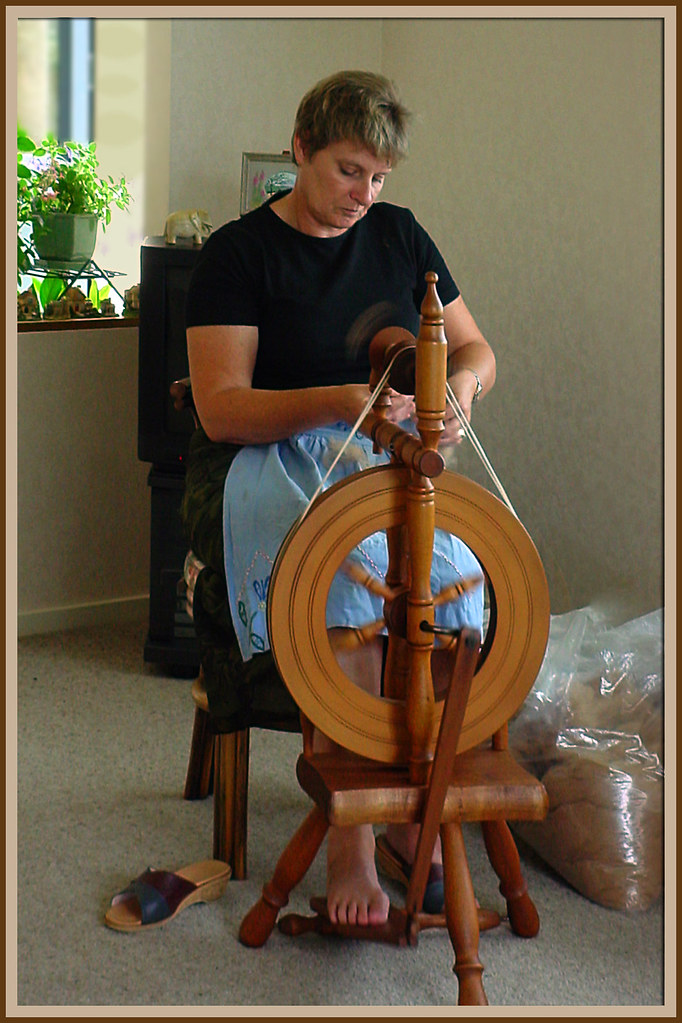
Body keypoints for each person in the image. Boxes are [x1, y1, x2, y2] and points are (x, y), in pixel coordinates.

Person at [183, 70, 496, 928]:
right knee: (348, 571)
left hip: (379, 453)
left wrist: (456, 396)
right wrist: (339, 402)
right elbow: (221, 407)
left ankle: (412, 810)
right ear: (301, 150)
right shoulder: (239, 254)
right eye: (348, 170)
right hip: (262, 456)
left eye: (379, 177)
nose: (365, 194)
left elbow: (475, 351)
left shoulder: (400, 236)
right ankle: (352, 838)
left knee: (453, 577)